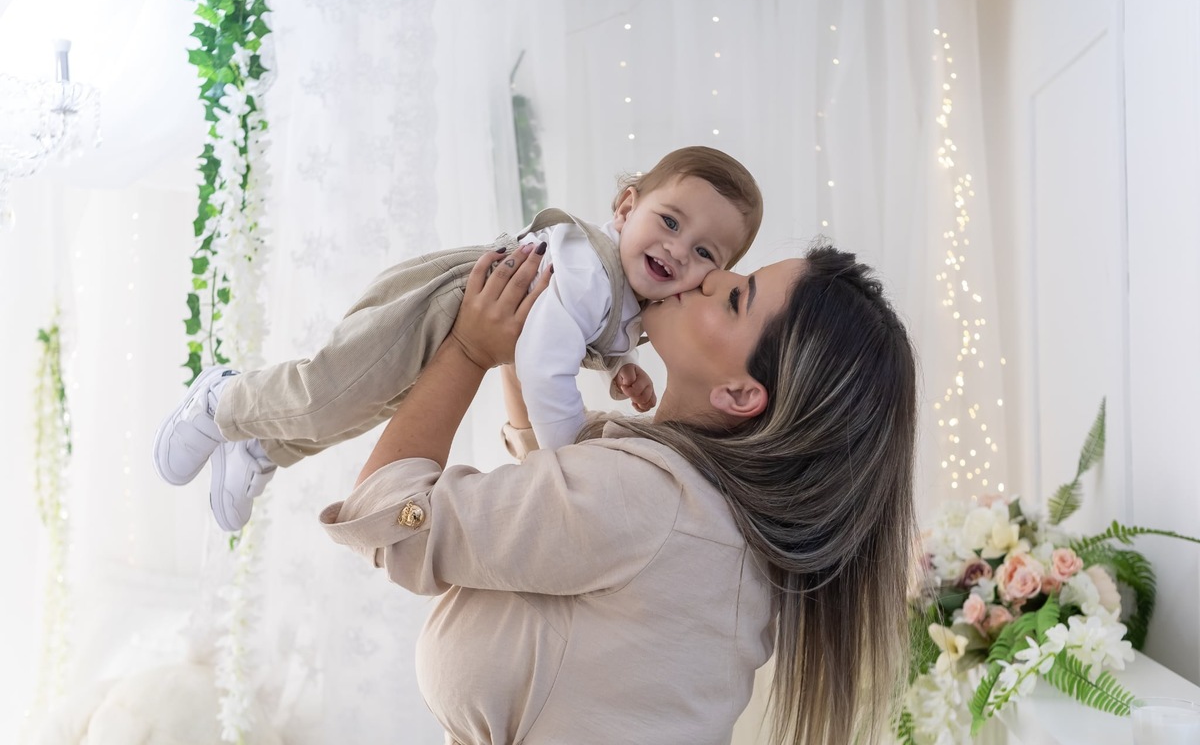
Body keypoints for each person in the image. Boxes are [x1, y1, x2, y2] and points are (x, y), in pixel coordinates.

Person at [321, 240, 918, 744]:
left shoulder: (646, 500)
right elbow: (560, 489)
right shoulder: (708, 518)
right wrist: (531, 342)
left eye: (738, 298)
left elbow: (388, 518)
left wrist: (470, 349)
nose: (711, 276)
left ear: (740, 395)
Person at [152, 146, 763, 531]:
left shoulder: (632, 298)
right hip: (442, 303)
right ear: (626, 209)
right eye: (670, 221)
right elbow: (544, 362)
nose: (676, 250)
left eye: (704, 251)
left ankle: (263, 450)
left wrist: (616, 366)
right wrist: (569, 454)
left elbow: (585, 336)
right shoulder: (586, 267)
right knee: (328, 393)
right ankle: (221, 400)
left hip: (470, 325)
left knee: (364, 408)